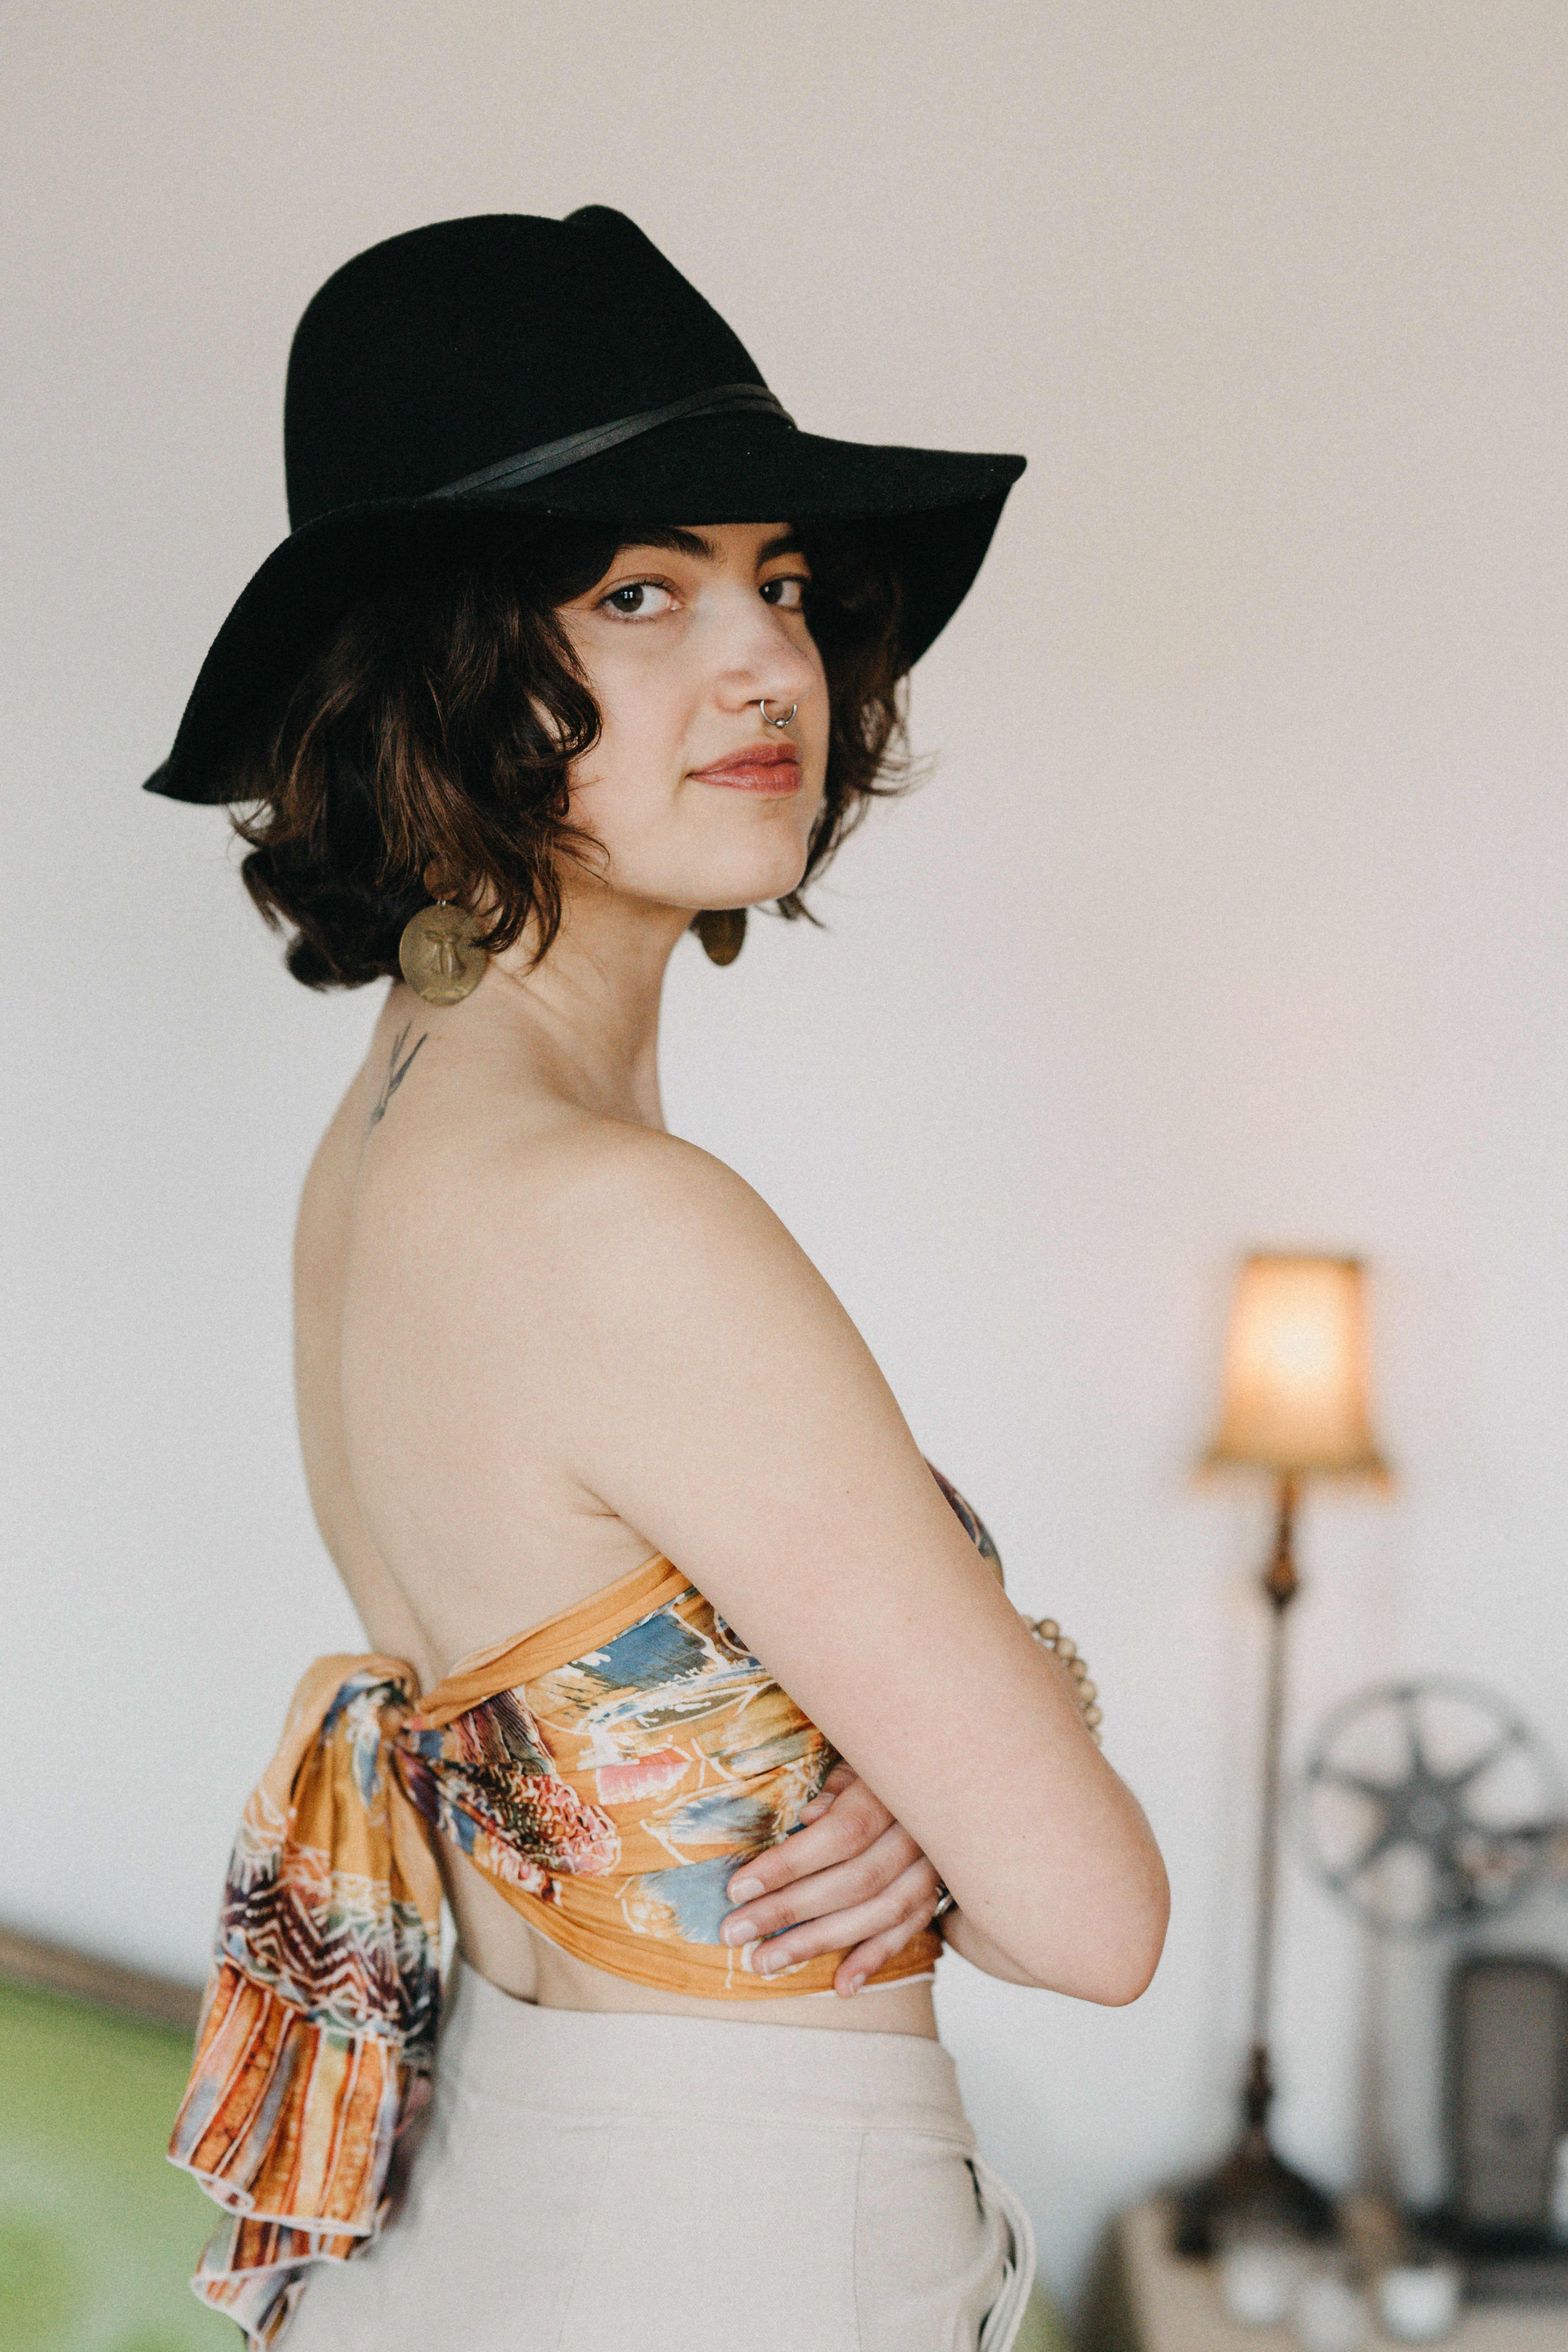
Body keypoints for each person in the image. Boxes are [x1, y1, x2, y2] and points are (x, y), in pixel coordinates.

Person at [151, 208, 1169, 2352]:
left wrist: (942, 1779)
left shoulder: (389, 1153)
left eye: (781, 581)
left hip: (501, 2205)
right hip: (736, 2242)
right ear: (441, 677)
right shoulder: (624, 1219)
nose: (770, 664)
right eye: (638, 592)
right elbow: (1088, 1919)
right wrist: (1023, 1710)